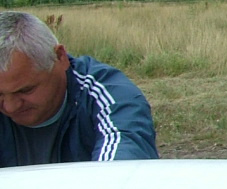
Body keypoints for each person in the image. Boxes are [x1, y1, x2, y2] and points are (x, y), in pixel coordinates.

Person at [0, 11, 158, 167]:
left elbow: (116, 175)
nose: (10, 107)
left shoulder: (111, 98)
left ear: (60, 57)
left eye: (25, 90)